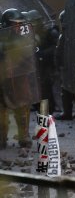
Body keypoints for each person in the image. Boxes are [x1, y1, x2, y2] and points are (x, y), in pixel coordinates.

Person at [0, 8, 33, 149]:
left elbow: (29, 59)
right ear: (6, 25)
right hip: (2, 80)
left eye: (20, 24)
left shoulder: (23, 40)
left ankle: (23, 137)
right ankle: (1, 138)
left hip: (19, 79)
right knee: (1, 110)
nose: (18, 27)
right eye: (15, 24)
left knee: (23, 108)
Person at [27, 9, 59, 114]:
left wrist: (41, 54)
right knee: (38, 89)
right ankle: (42, 109)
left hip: (49, 66)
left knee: (45, 91)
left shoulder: (50, 32)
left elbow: (56, 48)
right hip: (37, 66)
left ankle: (46, 113)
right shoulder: (32, 34)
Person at [55, 10, 75, 120]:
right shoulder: (64, 35)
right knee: (66, 91)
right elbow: (59, 52)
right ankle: (68, 113)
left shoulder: (73, 35)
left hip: (73, 66)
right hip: (67, 66)